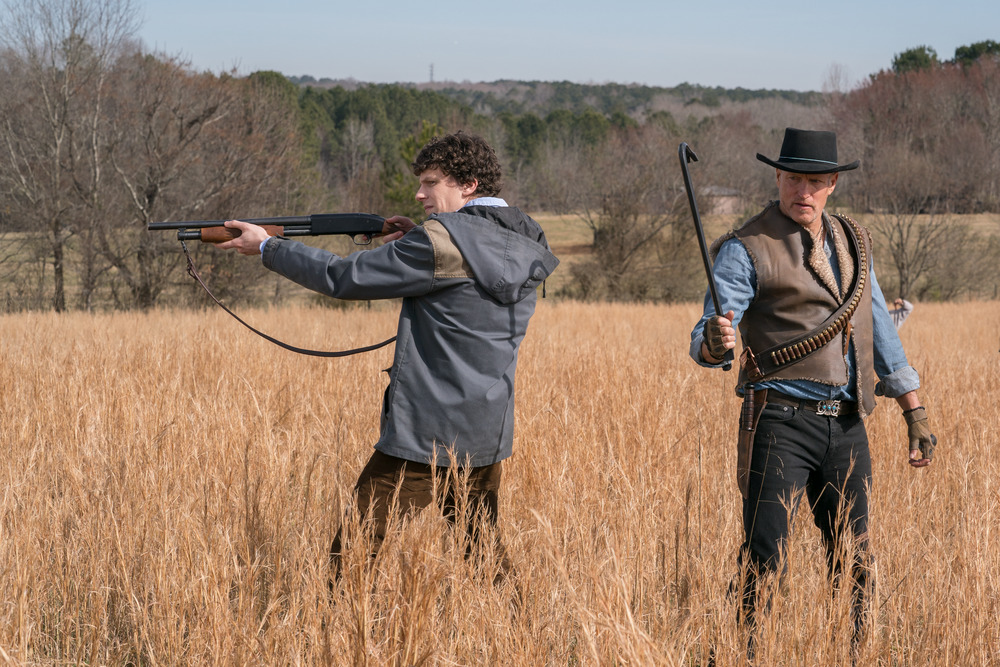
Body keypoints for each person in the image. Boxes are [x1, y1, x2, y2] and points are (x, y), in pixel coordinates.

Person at [217, 132, 559, 586]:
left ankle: (337, 641)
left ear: (469, 184)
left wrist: (267, 247)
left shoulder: (441, 244)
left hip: (426, 432)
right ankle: (523, 635)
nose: (419, 194)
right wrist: (420, 238)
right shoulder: (522, 238)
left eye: (431, 183)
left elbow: (343, 276)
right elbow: (468, 277)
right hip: (485, 429)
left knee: (353, 554)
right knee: (482, 552)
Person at [689, 128, 937, 650]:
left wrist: (913, 410)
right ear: (778, 177)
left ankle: (857, 652)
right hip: (779, 422)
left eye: (815, 181)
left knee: (856, 558)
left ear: (832, 186)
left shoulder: (853, 242)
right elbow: (713, 329)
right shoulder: (746, 247)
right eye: (794, 178)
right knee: (765, 557)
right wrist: (715, 342)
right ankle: (743, 653)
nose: (803, 191)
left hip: (848, 425)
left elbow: (879, 330)